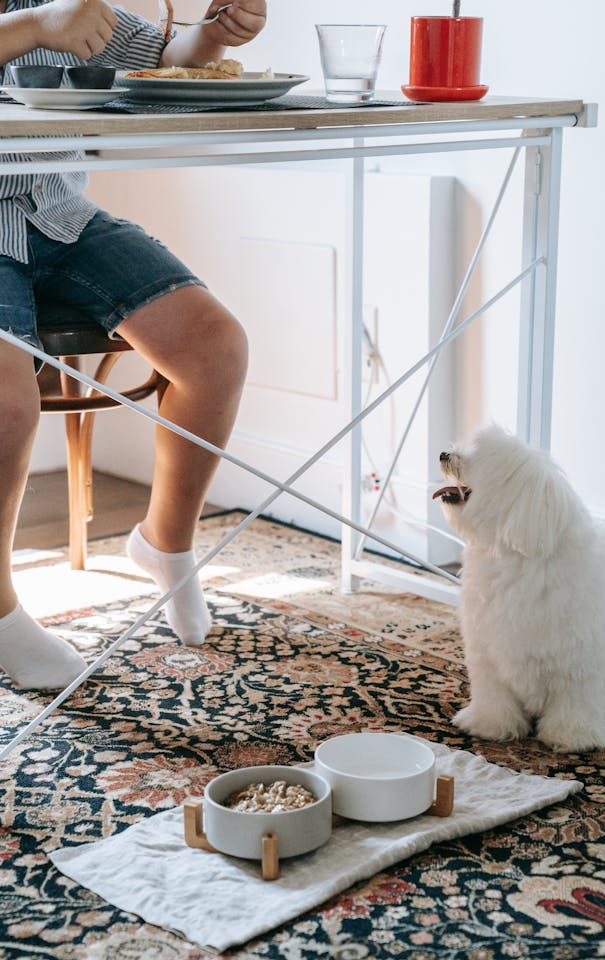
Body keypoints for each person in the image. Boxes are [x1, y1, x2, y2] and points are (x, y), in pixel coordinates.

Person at [0, 0, 266, 689]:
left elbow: (167, 62)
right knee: (6, 409)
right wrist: (32, 31)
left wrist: (213, 36)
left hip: (57, 214)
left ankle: (165, 546)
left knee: (216, 350)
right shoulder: (44, 15)